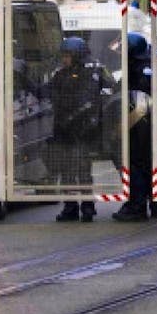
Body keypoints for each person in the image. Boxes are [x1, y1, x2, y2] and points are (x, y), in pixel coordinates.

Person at [48, 37, 114, 222]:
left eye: (68, 56)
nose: (64, 59)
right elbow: (46, 91)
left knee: (84, 169)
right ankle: (70, 207)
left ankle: (87, 206)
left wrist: (79, 118)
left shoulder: (93, 72)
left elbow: (98, 97)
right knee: (67, 170)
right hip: (64, 130)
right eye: (63, 56)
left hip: (84, 129)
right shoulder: (61, 74)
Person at [112, 32, 157, 221]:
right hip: (142, 127)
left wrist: (122, 127)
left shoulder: (140, 71)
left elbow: (141, 104)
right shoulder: (138, 67)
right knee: (140, 165)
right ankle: (142, 202)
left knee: (136, 165)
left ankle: (137, 205)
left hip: (140, 127)